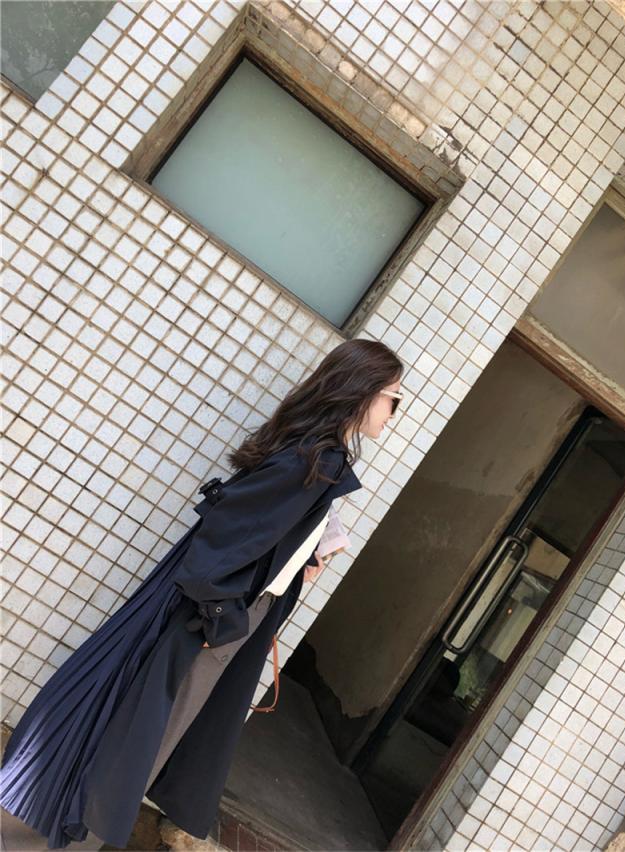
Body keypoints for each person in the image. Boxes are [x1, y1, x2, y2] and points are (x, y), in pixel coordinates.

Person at [0, 338, 404, 850]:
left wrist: (297, 564)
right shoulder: (313, 462)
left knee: (138, 734)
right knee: (139, 740)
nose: (394, 413)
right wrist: (222, 619)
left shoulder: (313, 456)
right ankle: (39, 839)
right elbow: (221, 541)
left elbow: (254, 534)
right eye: (394, 398)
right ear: (363, 391)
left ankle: (45, 835)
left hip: (221, 617)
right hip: (210, 622)